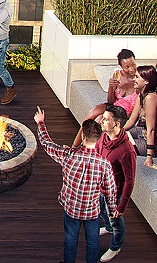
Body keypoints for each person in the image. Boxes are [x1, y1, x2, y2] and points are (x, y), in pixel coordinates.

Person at [35, 108, 117, 263]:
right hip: (92, 213)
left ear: (83, 136)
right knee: (93, 242)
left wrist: (41, 122)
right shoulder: (104, 164)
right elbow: (110, 192)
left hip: (72, 209)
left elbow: (46, 143)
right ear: (99, 138)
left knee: (70, 240)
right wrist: (112, 211)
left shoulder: (68, 155)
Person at [96, 104, 137, 262]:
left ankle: (115, 247)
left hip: (114, 195)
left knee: (116, 221)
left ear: (117, 124)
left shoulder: (127, 151)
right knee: (102, 211)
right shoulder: (104, 137)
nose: (102, 121)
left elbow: (130, 180)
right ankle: (107, 227)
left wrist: (122, 206)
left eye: (106, 120)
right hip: (100, 187)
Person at [73, 49, 139, 147]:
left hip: (123, 113)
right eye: (127, 67)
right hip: (113, 106)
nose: (131, 69)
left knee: (98, 120)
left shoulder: (139, 79)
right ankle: (74, 147)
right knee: (92, 112)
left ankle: (83, 150)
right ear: (121, 67)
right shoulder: (118, 75)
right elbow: (111, 101)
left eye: (133, 65)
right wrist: (111, 87)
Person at [122, 65, 157, 170]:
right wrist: (118, 131)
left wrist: (149, 157)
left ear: (146, 81)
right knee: (111, 137)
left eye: (137, 77)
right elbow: (131, 120)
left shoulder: (151, 98)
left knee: (120, 147)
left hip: (155, 144)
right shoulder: (141, 95)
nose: (134, 79)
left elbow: (151, 130)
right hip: (142, 132)